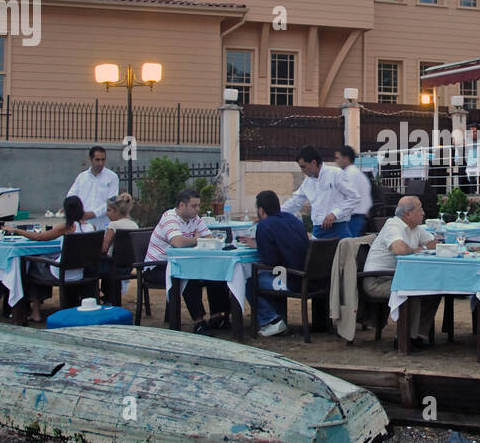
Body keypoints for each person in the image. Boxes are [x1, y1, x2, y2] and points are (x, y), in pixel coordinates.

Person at [2, 196, 102, 323]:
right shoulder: (91, 227)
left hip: (61, 273)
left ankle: (34, 312)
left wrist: (16, 230)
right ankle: (35, 311)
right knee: (40, 265)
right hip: (79, 273)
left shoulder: (67, 227)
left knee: (32, 266)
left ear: (65, 211)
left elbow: (39, 237)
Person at [142, 189, 227, 333]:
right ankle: (199, 322)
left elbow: (210, 238)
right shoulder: (169, 218)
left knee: (216, 272)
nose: (198, 209)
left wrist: (197, 239)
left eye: (198, 206)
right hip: (157, 267)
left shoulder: (194, 218)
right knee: (188, 276)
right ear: (182, 205)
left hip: (185, 262)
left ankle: (216, 317)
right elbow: (178, 242)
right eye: (194, 206)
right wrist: (195, 239)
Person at [363, 195, 441, 347]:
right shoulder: (393, 225)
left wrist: (421, 248)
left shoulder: (416, 228)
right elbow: (399, 249)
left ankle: (419, 334)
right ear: (408, 214)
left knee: (434, 287)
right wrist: (419, 249)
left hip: (397, 277)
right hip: (377, 280)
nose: (424, 213)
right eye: (420, 209)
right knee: (414, 288)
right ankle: (404, 339)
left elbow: (434, 243)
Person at [239, 189, 309, 338]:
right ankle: (276, 317)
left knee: (248, 281)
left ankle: (271, 320)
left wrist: (261, 245)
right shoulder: (292, 219)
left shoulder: (265, 226)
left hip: (290, 280)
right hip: (308, 277)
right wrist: (260, 244)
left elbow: (270, 262)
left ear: (261, 210)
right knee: (265, 276)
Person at [281, 145, 359, 239]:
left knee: (344, 253)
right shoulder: (308, 182)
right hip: (318, 230)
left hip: (338, 228)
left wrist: (335, 214)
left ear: (313, 162)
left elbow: (354, 197)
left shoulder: (335, 174)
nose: (302, 171)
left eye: (304, 167)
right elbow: (295, 202)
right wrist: (274, 214)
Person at [67, 145, 120, 232]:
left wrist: (93, 214)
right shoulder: (82, 177)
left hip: (102, 224)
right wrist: (77, 214)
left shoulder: (112, 177)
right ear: (90, 159)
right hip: (82, 223)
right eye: (97, 160)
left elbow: (112, 201)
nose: (100, 163)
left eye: (103, 159)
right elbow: (70, 197)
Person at [334, 146, 373, 237]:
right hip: (358, 217)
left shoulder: (348, 175)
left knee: (348, 247)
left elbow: (346, 198)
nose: (336, 161)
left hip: (352, 217)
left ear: (346, 158)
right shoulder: (359, 174)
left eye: (338, 158)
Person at [101, 192, 139, 256]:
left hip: (111, 262)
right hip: (130, 262)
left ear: (117, 211)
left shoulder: (113, 225)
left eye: (109, 210)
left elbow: (104, 249)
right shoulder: (135, 225)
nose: (106, 214)